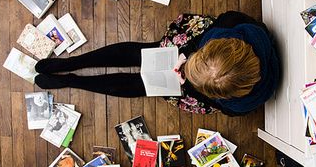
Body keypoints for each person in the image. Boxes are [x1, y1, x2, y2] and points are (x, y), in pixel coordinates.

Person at [34, 11, 280, 116]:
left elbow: (217, 104)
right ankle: (73, 62)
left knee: (141, 84)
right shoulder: (238, 30)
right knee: (141, 54)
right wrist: (187, 54)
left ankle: (71, 81)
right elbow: (224, 19)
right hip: (190, 53)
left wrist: (191, 85)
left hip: (194, 87)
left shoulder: (240, 104)